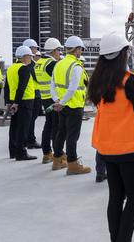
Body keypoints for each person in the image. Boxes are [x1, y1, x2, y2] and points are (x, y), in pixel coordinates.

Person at [90, 32, 134, 242]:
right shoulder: (129, 81)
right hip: (132, 148)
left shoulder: (98, 82)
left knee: (115, 197)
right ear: (122, 54)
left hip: (108, 149)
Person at [50, 35, 90, 175]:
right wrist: (61, 102)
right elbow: (73, 89)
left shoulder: (58, 64)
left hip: (62, 106)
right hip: (74, 106)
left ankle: (57, 160)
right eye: (81, 49)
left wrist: (57, 101)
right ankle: (72, 164)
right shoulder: (76, 66)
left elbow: (52, 85)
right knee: (72, 136)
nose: (81, 52)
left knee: (61, 132)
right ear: (77, 49)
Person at [4, 46, 38, 161]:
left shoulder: (11, 68)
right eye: (30, 56)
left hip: (14, 101)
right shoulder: (24, 68)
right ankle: (21, 153)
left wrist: (9, 102)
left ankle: (13, 152)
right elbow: (21, 87)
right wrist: (17, 103)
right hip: (24, 102)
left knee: (14, 127)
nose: (31, 59)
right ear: (24, 57)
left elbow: (7, 87)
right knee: (23, 128)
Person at [35, 38, 62, 164]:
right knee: (56, 126)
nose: (59, 53)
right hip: (53, 98)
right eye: (58, 50)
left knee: (48, 124)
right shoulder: (51, 64)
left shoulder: (39, 63)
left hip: (44, 97)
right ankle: (58, 153)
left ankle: (46, 153)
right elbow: (59, 80)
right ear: (54, 50)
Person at [23, 39, 42, 149]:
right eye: (35, 48)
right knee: (30, 119)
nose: (36, 50)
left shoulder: (31, 63)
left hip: (34, 93)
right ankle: (29, 140)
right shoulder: (29, 64)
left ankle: (29, 139)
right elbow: (37, 78)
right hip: (32, 94)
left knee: (31, 119)